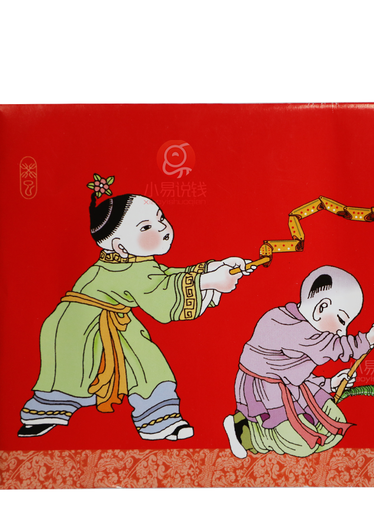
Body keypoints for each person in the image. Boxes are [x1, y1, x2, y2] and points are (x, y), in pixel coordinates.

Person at [19, 174, 253, 441]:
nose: (162, 227)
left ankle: (158, 420)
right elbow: (162, 293)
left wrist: (213, 268)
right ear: (119, 246)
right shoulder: (128, 271)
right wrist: (208, 281)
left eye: (161, 218)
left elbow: (165, 277)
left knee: (134, 366)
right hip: (80, 329)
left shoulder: (127, 262)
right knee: (128, 367)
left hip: (97, 323)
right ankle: (156, 421)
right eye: (146, 227)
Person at [223, 265, 374, 458]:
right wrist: (369, 338)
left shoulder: (302, 328)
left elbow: (297, 373)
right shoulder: (290, 327)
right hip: (267, 391)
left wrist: (330, 383)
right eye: (341, 320)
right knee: (303, 447)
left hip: (293, 385)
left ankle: (298, 431)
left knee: (335, 425)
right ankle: (243, 432)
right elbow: (335, 347)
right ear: (321, 308)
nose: (342, 331)